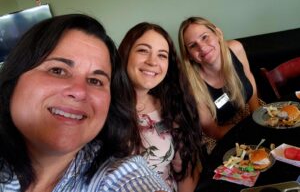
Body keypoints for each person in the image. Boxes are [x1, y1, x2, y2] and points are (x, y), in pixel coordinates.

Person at [0, 14, 171, 192]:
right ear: (15, 78)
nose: (80, 91)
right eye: (57, 70)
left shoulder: (119, 174)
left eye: (95, 81)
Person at [118, 22, 204, 192]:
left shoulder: (170, 106)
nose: (152, 62)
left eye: (162, 55)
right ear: (126, 53)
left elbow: (185, 171)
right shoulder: (101, 108)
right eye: (143, 50)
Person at [178, 17, 260, 147]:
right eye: (193, 45)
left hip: (247, 114)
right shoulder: (189, 84)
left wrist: (257, 115)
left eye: (205, 37)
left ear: (218, 34)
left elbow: (249, 77)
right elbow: (213, 131)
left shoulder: (236, 48)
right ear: (188, 55)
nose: (202, 47)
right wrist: (250, 129)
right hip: (221, 134)